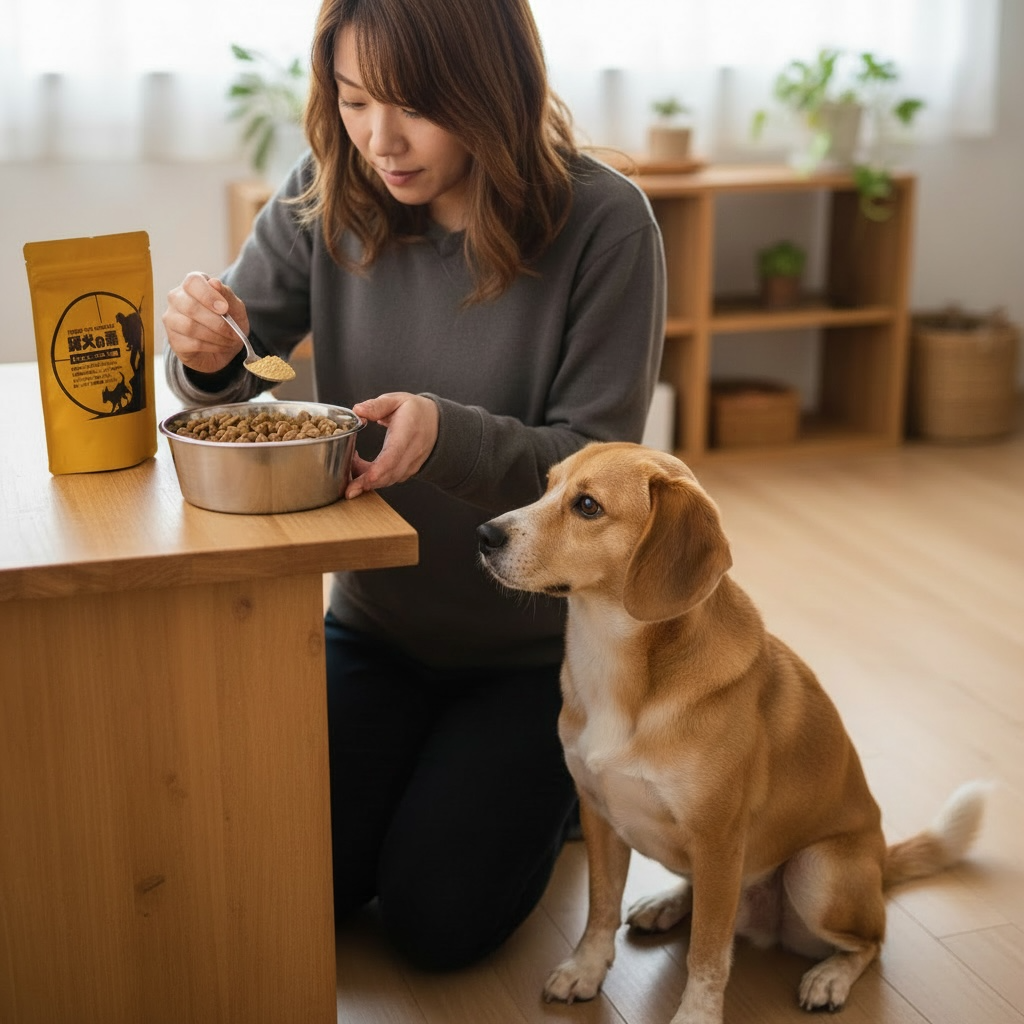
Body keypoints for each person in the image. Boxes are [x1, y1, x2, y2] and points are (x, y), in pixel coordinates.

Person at [162, 0, 665, 972]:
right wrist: (202, 348)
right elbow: (235, 355)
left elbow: (599, 478)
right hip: (375, 626)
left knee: (436, 920)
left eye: (414, 107)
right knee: (299, 874)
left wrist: (450, 434)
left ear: (493, 90)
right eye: (352, 100)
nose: (378, 138)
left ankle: (563, 790)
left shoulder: (606, 224)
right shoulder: (328, 189)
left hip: (535, 654)